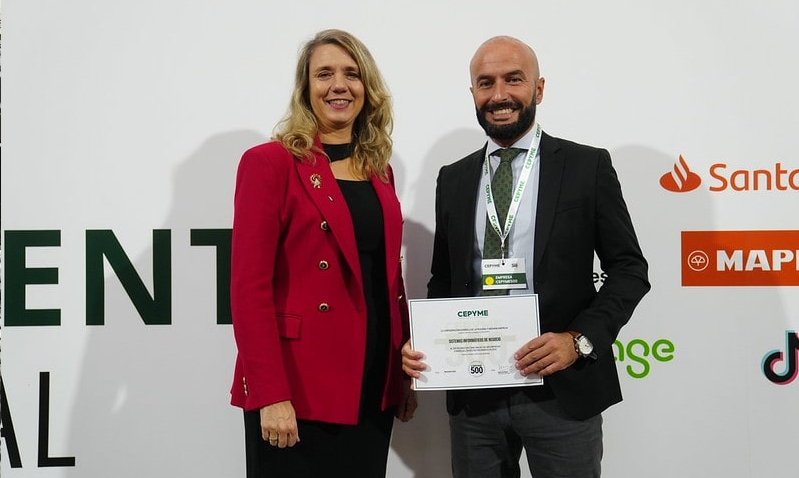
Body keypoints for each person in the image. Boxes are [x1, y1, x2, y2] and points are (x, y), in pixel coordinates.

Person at [402, 36, 650, 478]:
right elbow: (444, 278)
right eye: (486, 83)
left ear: (539, 88)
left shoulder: (586, 166)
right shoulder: (453, 178)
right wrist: (427, 341)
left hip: (561, 391)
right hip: (475, 392)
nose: (499, 95)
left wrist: (579, 341)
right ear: (473, 93)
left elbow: (630, 270)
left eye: (513, 79)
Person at [230, 29, 416, 478]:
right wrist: (271, 394)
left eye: (352, 74)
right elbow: (248, 289)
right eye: (324, 74)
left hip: (372, 380)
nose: (339, 86)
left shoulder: (379, 170)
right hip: (298, 388)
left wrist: (402, 372)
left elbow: (387, 278)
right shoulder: (270, 163)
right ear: (305, 87)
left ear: (367, 87)